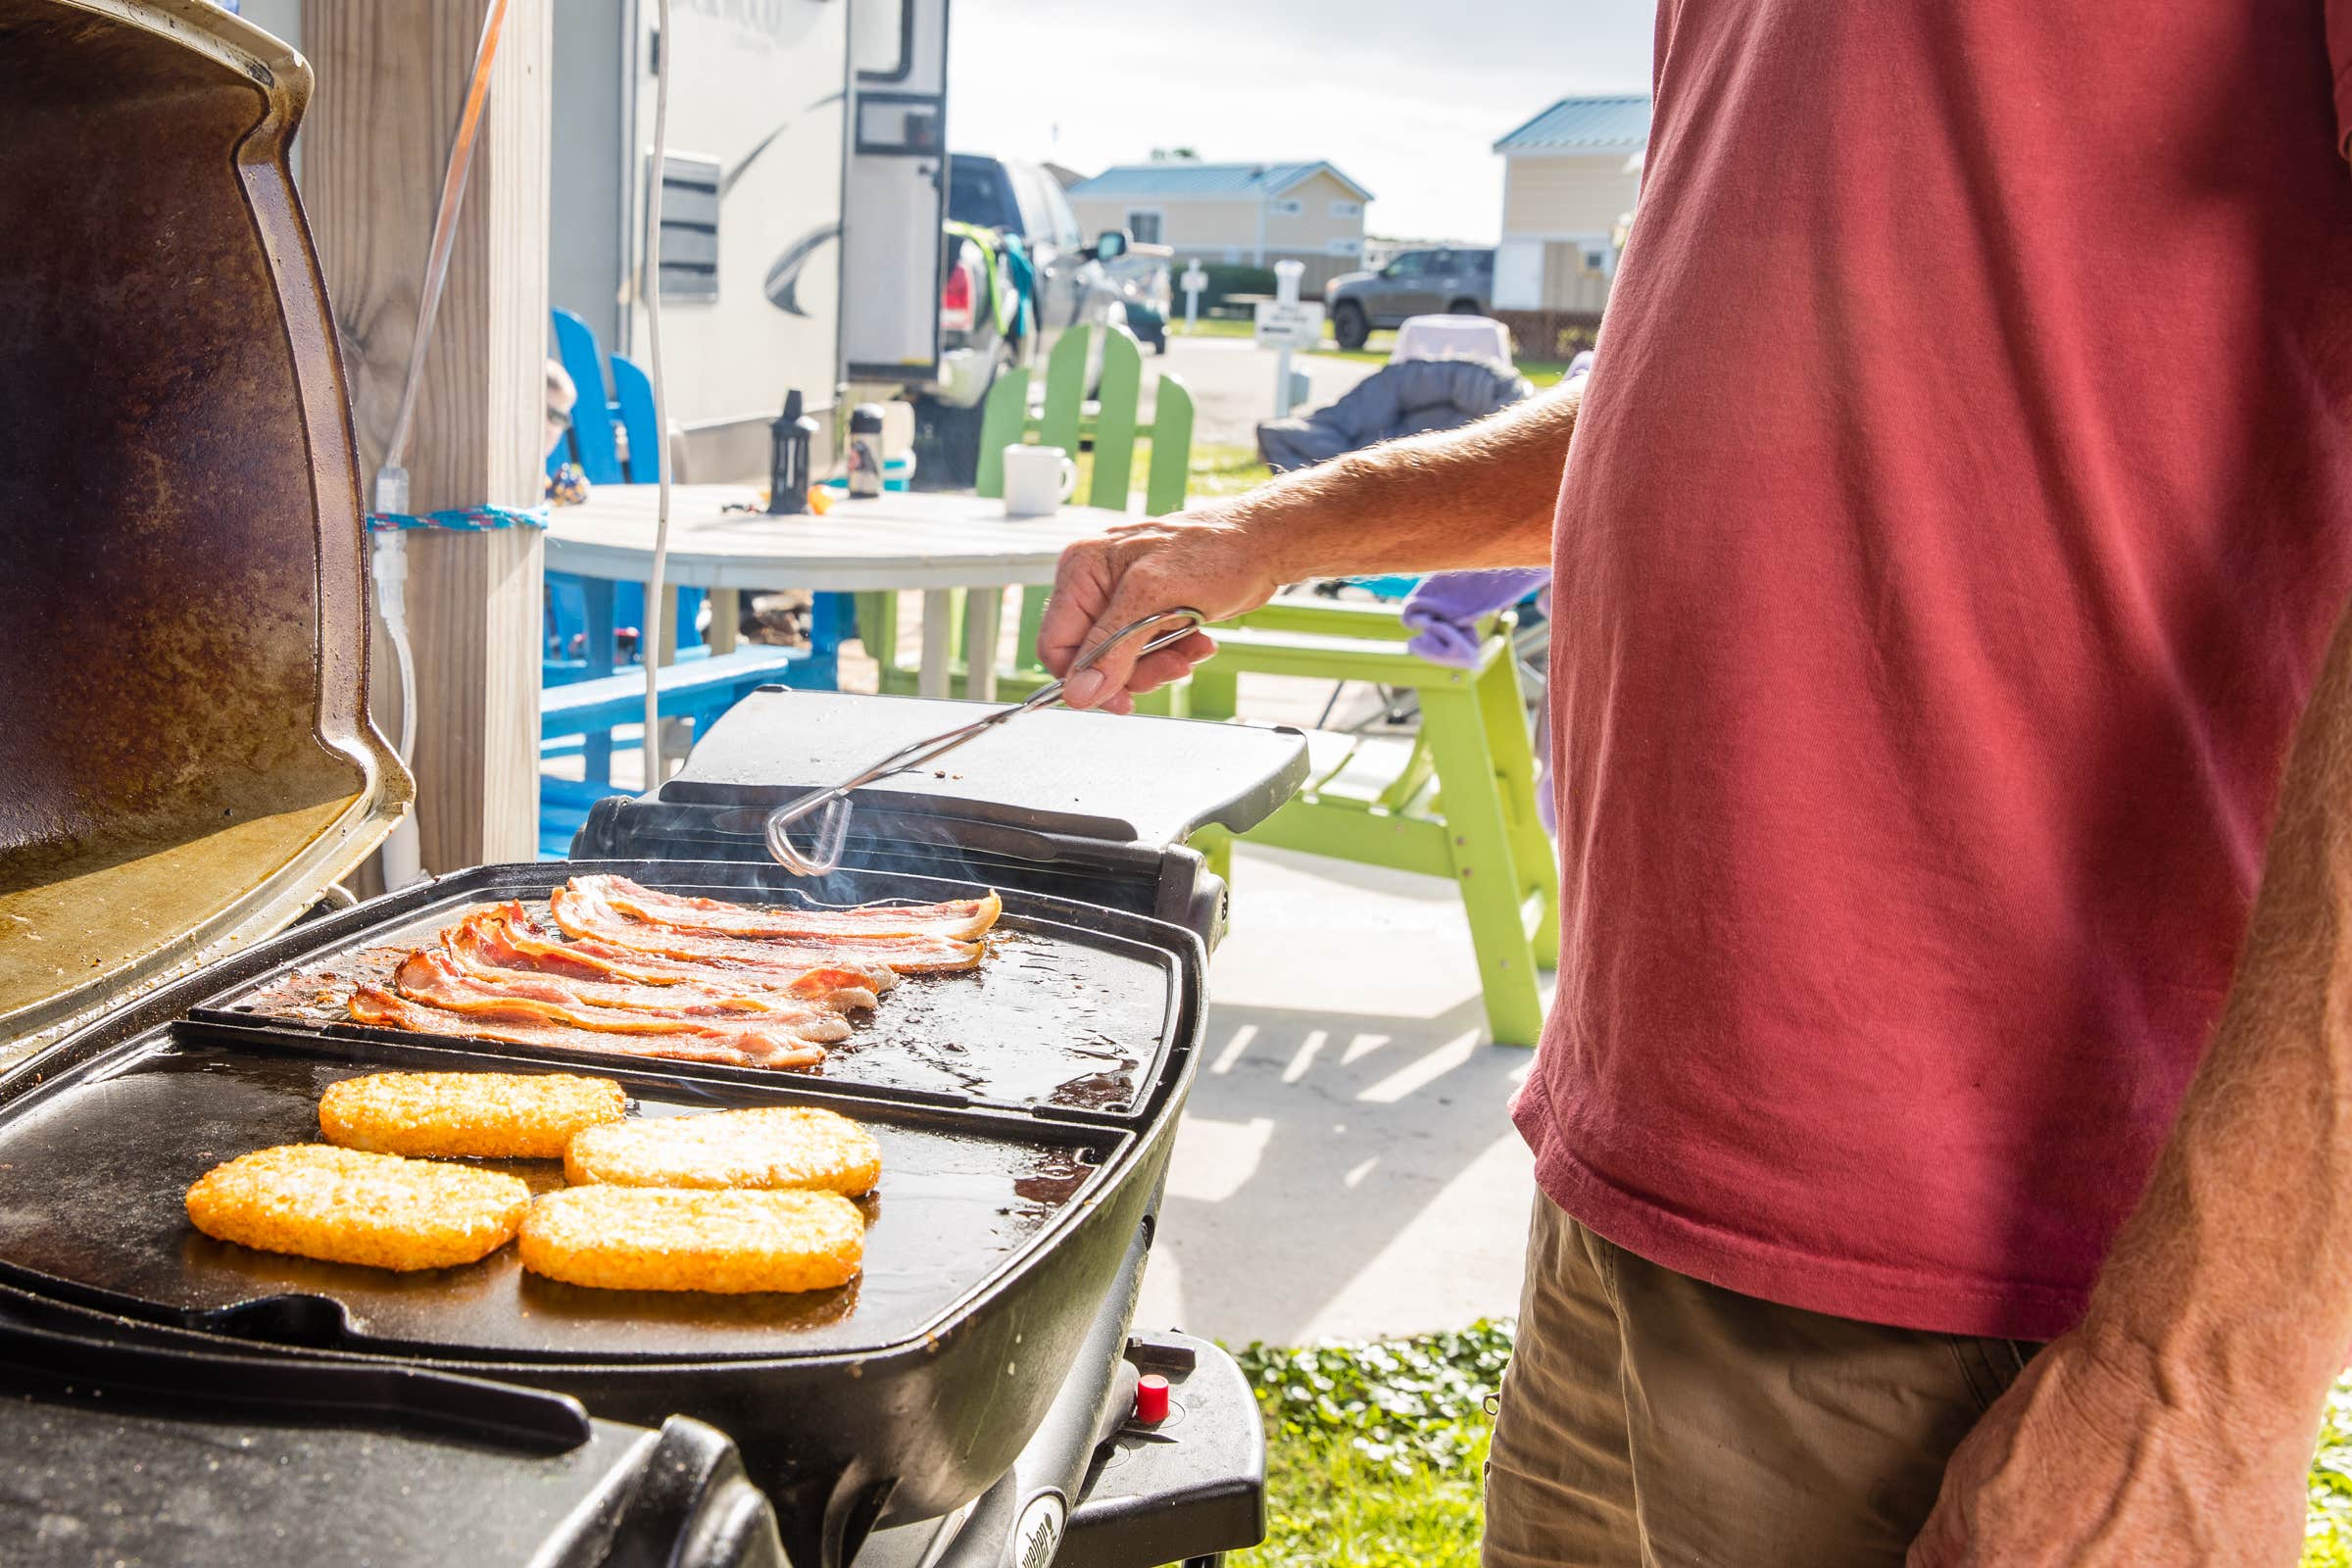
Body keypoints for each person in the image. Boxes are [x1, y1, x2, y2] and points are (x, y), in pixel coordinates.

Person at [1039, 6, 2352, 1564]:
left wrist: (2196, 1381)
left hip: (1973, 1238)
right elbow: (1724, 374)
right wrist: (1282, 535)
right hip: (1642, 1160)